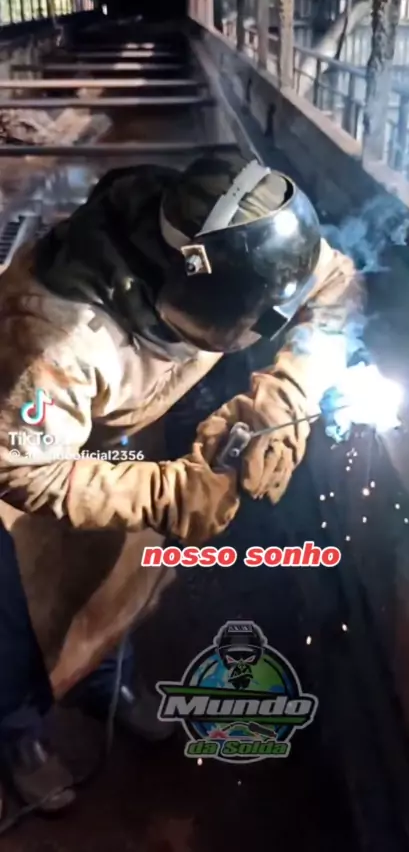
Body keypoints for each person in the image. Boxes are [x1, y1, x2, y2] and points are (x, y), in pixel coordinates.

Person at [0, 152, 361, 814]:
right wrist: (167, 493)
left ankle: (105, 684)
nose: (258, 331)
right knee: (13, 621)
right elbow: (22, 469)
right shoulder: (54, 339)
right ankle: (15, 736)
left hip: (109, 437)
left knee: (106, 588)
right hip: (24, 456)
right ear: (187, 286)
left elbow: (336, 283)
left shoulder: (248, 245)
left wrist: (286, 393)